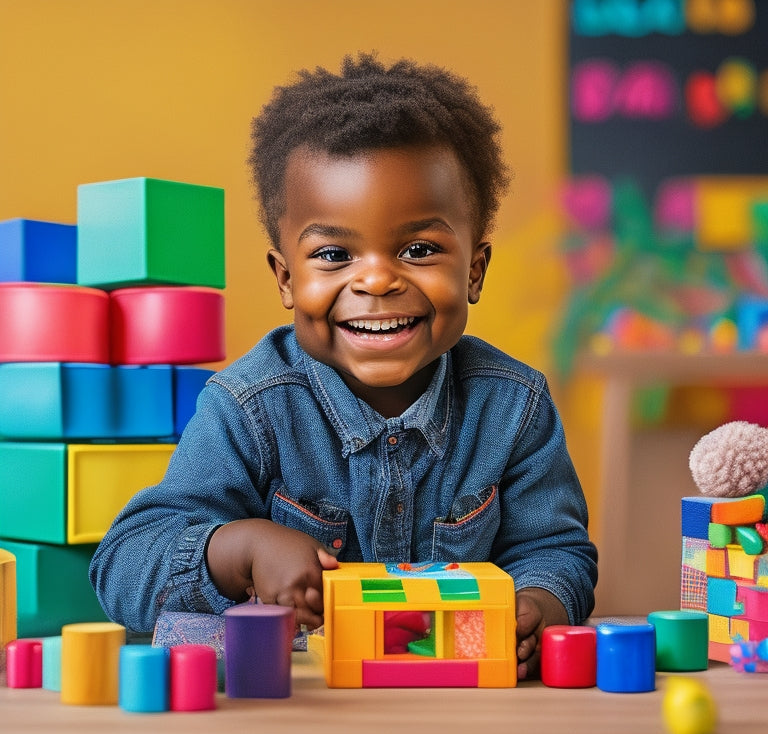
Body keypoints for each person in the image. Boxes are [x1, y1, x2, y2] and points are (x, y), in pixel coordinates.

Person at [90, 53, 597, 679]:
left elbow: (555, 549)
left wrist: (542, 601)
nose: (377, 279)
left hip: (460, 702)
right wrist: (239, 549)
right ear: (285, 279)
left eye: (418, 249)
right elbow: (124, 563)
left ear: (474, 269)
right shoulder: (250, 405)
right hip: (301, 706)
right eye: (333, 253)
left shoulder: (513, 407)